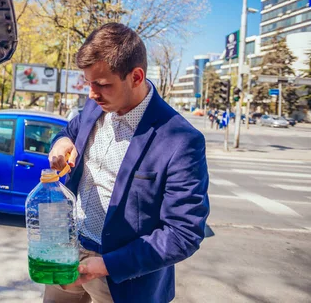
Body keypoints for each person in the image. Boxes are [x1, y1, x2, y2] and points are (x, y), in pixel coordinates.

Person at [46, 23, 210, 303]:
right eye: (89, 83)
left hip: (124, 279)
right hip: (67, 254)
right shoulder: (95, 105)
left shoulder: (180, 140)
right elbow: (70, 131)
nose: (92, 94)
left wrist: (107, 265)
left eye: (103, 84)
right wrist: (60, 143)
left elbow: (184, 232)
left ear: (136, 76)